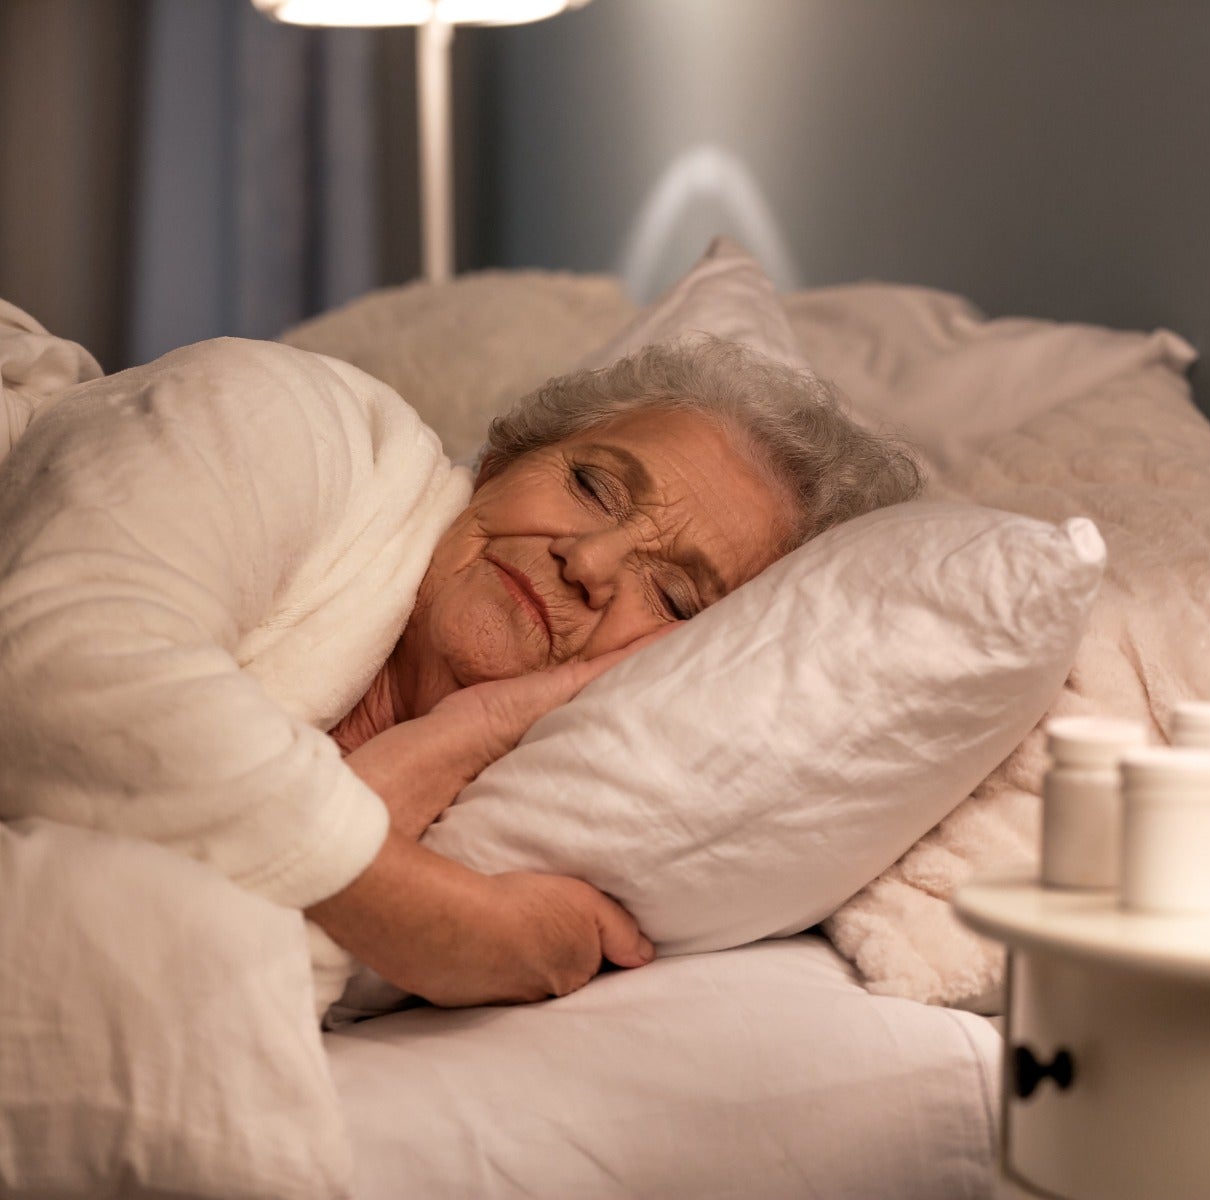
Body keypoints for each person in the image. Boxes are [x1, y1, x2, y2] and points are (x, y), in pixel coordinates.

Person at [0, 329, 922, 1011]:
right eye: (593, 486)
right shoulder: (294, 419)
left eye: (676, 598)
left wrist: (450, 745)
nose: (591, 561)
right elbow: (58, 666)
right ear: (500, 464)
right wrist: (464, 930)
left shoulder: (508, 805)